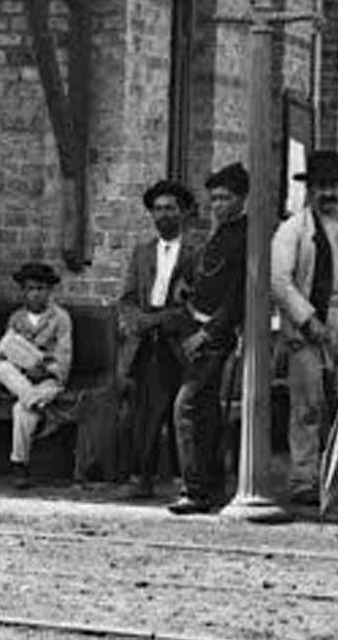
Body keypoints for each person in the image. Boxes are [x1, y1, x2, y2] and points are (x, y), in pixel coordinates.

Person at [271, 149, 338, 506]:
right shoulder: (294, 229)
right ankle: (304, 478)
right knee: (307, 407)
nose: (329, 193)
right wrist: (308, 320)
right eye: (321, 187)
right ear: (310, 190)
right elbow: (278, 279)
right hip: (308, 326)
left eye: (334, 186)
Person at [169, 162, 248, 515]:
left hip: (214, 337)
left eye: (225, 198)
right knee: (205, 413)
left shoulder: (245, 236)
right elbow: (205, 273)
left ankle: (195, 488)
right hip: (195, 330)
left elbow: (236, 295)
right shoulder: (220, 234)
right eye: (214, 198)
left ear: (242, 198)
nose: (218, 204)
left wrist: (208, 332)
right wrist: (187, 284)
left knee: (186, 408)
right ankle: (210, 486)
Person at [117, 179, 200, 498]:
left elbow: (195, 303)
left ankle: (186, 479)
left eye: (171, 208)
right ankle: (143, 477)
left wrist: (166, 319)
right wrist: (137, 321)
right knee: (146, 411)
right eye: (158, 209)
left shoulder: (196, 252)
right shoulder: (142, 253)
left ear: (183, 213)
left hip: (177, 341)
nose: (164, 215)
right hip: (146, 339)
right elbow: (126, 299)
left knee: (180, 409)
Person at [0, 261, 73, 489]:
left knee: (21, 409)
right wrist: (24, 369)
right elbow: (2, 356)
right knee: (1, 365)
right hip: (21, 378)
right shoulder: (16, 318)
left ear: (49, 291)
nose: (35, 294)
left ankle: (20, 464)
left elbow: (64, 359)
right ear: (23, 291)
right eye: (29, 289)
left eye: (40, 289)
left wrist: (45, 368)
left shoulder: (60, 318)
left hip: (48, 379)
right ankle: (43, 410)